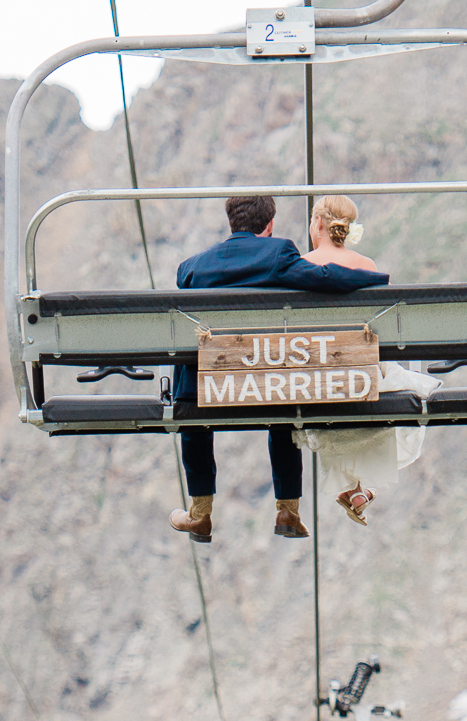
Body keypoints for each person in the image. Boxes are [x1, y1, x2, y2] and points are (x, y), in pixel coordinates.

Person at [168, 194, 385, 543]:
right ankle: (288, 510)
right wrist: (377, 279)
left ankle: (200, 513)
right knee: (283, 394)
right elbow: (326, 278)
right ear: (269, 225)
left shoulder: (191, 267)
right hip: (266, 385)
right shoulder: (279, 254)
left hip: (206, 390)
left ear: (231, 223)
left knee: (195, 402)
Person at [297, 196, 437, 525]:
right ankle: (358, 487)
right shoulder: (369, 267)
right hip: (363, 370)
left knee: (326, 386)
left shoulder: (301, 266)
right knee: (367, 378)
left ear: (318, 224)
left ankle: (353, 487)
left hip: (319, 373)